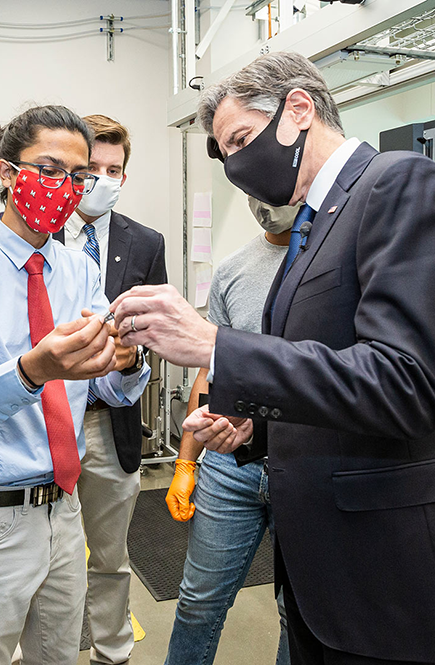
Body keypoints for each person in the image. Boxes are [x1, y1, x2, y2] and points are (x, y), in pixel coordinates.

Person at [110, 51, 435, 665]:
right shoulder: (312, 226)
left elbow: (406, 382)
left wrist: (214, 345)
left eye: (241, 141)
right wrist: (253, 426)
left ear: (299, 108)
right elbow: (328, 367)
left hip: (390, 576)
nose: (236, 166)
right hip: (322, 573)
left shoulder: (399, 186)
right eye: (226, 155)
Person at [0, 104, 150, 665]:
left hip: (65, 513)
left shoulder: (78, 270)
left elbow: (103, 392)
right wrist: (29, 372)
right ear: (6, 171)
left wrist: (127, 363)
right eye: (48, 169)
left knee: (58, 656)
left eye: (79, 175)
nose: (65, 187)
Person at [52, 113, 167, 665]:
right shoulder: (38, 232)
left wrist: (134, 352)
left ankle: (112, 652)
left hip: (110, 422)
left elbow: (156, 330)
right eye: (91, 167)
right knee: (46, 557)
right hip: (48, 421)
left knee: (110, 556)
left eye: (113, 170)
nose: (101, 178)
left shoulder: (145, 243)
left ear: (125, 175)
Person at [163, 196, 296, 665]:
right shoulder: (234, 270)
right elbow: (208, 371)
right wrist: (186, 459)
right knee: (198, 602)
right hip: (229, 467)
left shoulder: (330, 263)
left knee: (296, 613)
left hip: (301, 465)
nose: (265, 200)